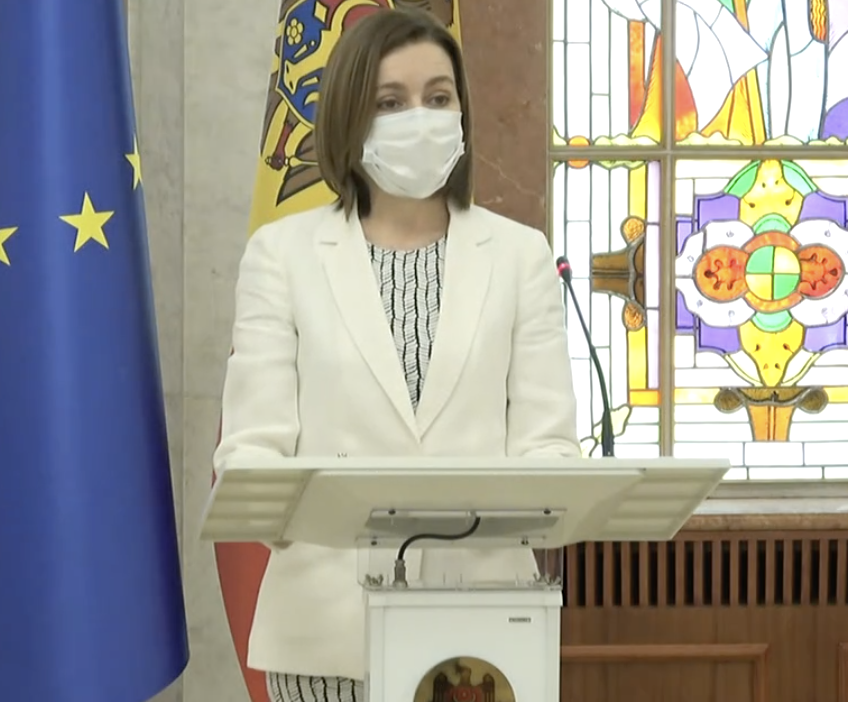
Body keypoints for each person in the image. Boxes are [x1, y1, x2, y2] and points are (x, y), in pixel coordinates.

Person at [214, 7, 581, 702]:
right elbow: (250, 457)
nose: (421, 119)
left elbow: (550, 452)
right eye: (391, 102)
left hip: (482, 646)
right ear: (351, 118)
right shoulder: (281, 255)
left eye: (438, 99)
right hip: (325, 641)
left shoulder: (519, 256)